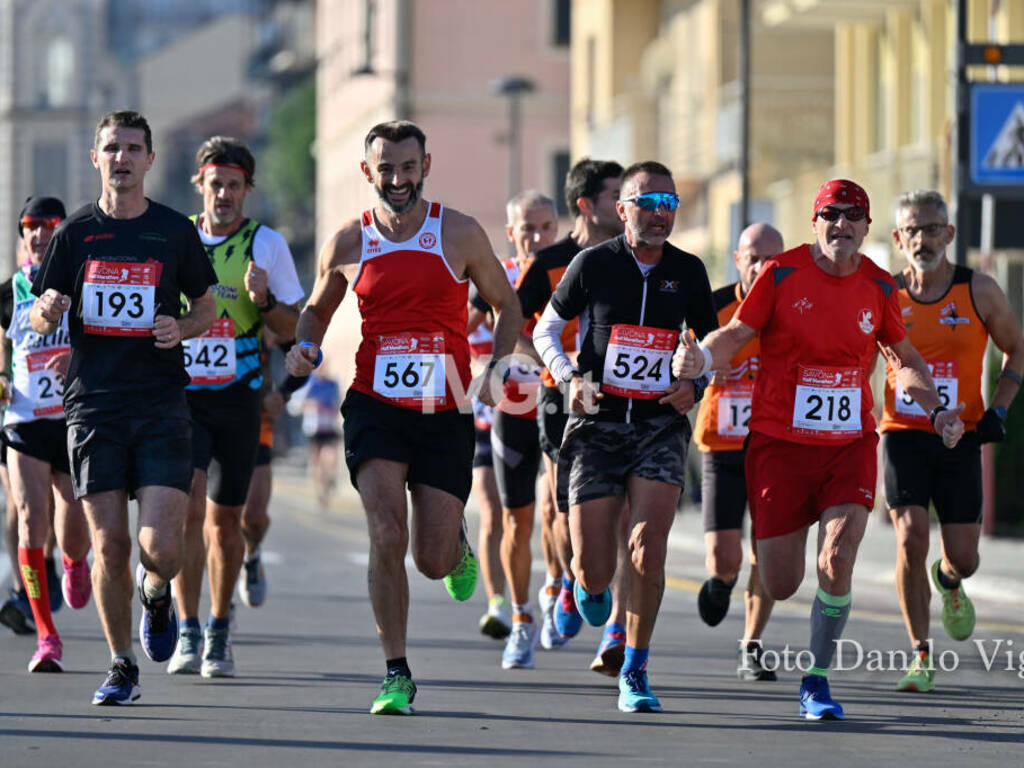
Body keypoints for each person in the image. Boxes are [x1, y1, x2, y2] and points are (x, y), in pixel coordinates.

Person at [674, 179, 965, 720]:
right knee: (782, 582)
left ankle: (818, 679)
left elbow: (904, 359)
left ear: (866, 228)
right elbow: (736, 334)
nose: (842, 225)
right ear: (816, 222)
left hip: (848, 445)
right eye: (831, 214)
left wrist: (937, 409)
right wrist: (702, 361)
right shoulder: (781, 273)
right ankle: (784, 618)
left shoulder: (879, 286)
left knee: (836, 556)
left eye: (854, 215)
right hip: (779, 447)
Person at [285, 120, 523, 715]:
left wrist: (495, 367)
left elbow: (507, 304)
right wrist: (305, 344)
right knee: (387, 534)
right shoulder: (347, 241)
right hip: (375, 406)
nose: (397, 179)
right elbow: (316, 310)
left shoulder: (460, 232)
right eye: (385, 168)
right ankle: (396, 672)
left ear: (426, 166)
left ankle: (457, 547)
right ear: (368, 172)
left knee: (431, 559)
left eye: (408, 167)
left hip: (443, 405)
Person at [30, 110, 218, 704]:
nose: (122, 158)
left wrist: (179, 326)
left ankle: (156, 593)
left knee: (160, 548)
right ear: (96, 158)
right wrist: (50, 310)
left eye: (134, 148)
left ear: (150, 161)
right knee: (109, 543)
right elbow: (37, 312)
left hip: (160, 402)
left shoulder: (172, 231)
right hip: (93, 406)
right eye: (112, 147)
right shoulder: (75, 233)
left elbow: (209, 307)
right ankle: (120, 666)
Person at [533, 160, 717, 712]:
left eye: (669, 204)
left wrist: (698, 380)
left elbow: (713, 344)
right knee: (593, 567)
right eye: (647, 203)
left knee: (646, 548)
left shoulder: (688, 271)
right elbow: (546, 328)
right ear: (622, 210)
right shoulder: (592, 264)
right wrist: (568, 379)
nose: (660, 214)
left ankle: (635, 669)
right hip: (597, 425)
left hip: (660, 425)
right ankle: (586, 589)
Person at [167, 137, 304, 679]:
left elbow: (294, 332)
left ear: (248, 189)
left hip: (240, 401)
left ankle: (219, 633)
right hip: (182, 399)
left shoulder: (265, 243)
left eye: (234, 185)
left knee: (227, 522)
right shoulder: (175, 237)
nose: (223, 194)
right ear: (200, 185)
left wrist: (264, 299)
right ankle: (187, 629)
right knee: (188, 513)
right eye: (215, 183)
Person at [881, 190, 1023, 692]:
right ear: (898, 238)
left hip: (961, 436)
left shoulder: (979, 291)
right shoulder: (886, 295)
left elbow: (1017, 350)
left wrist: (1000, 409)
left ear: (950, 234)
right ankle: (920, 654)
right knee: (908, 537)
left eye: (932, 228)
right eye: (912, 230)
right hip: (902, 433)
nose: (923, 239)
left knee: (965, 557)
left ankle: (949, 580)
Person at [516, 158, 632, 674]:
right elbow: (512, 326)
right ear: (587, 205)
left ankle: (616, 630)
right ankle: (568, 580)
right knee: (566, 510)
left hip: (623, 396)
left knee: (625, 511)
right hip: (561, 395)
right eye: (615, 196)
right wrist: (561, 370)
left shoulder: (636, 257)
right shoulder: (549, 263)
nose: (626, 205)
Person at [0, 196, 93, 672]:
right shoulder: (7, 292)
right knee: (32, 517)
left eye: (48, 227)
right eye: (30, 227)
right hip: (23, 419)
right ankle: (46, 636)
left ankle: (76, 564)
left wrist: (74, 360)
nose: (38, 235)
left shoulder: (80, 285)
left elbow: (99, 343)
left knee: (71, 525)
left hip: (71, 419)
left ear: (60, 235)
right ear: (23, 235)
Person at [690, 222, 782, 680]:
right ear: (737, 259)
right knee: (725, 557)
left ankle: (751, 645)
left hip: (775, 447)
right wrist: (706, 371)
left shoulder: (794, 307)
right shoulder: (714, 305)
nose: (763, 266)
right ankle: (723, 581)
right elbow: (680, 355)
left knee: (765, 551)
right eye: (754, 257)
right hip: (722, 446)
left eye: (772, 258)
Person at [475, 190, 555, 669]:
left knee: (558, 510)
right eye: (527, 228)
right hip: (510, 405)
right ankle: (517, 616)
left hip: (561, 401)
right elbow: (492, 323)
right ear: (512, 233)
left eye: (545, 227)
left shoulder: (571, 270)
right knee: (511, 519)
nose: (536, 236)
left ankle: (557, 589)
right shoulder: (499, 277)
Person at [467, 296, 511, 640]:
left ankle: (556, 588)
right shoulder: (471, 322)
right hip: (483, 429)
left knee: (530, 517)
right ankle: (497, 603)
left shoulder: (523, 319)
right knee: (492, 514)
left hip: (524, 429)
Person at [297, 370, 342, 504]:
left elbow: (338, 402)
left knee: (330, 456)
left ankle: (329, 478)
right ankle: (320, 492)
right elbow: (299, 405)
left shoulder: (333, 384)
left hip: (329, 425)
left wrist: (332, 410)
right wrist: (312, 404)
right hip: (313, 427)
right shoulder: (310, 383)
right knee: (315, 461)